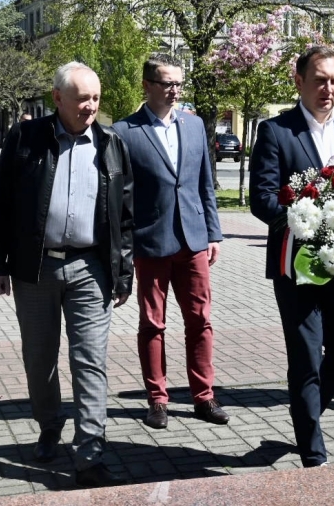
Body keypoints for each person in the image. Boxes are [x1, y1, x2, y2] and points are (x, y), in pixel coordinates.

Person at [0, 62, 134, 488]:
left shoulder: (111, 143)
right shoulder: (25, 138)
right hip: (35, 267)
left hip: (91, 268)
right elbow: (0, 203)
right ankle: (49, 425)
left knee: (90, 361)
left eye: (96, 98)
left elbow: (125, 216)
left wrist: (123, 273)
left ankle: (90, 455)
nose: (91, 106)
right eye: (82, 98)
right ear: (57, 98)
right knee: (39, 357)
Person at [249, 46, 334, 468]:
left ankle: (306, 412)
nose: (329, 88)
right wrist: (308, 219)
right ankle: (313, 453)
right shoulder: (276, 131)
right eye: (320, 80)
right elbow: (262, 199)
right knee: (305, 356)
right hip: (296, 265)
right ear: (299, 81)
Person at [112, 54, 228, 430]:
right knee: (152, 323)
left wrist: (213, 233)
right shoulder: (124, 131)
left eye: (178, 82)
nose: (174, 90)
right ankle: (157, 400)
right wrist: (124, 246)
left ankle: (204, 397)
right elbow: (119, 196)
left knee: (200, 320)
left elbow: (204, 183)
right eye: (166, 83)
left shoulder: (193, 126)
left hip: (193, 240)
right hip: (150, 242)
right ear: (147, 86)